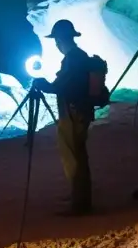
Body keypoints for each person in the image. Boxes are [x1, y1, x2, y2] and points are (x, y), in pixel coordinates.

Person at [35, 19, 94, 215]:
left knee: (72, 156)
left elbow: (64, 86)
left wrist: (44, 85)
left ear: (60, 39)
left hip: (73, 113)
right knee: (79, 154)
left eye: (56, 40)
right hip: (81, 111)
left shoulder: (73, 59)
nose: (56, 44)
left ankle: (80, 204)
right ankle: (80, 196)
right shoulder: (80, 56)